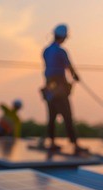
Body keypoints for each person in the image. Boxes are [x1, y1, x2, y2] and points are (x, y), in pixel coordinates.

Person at [41, 23, 87, 155]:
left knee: (52, 115)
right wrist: (75, 76)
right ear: (62, 37)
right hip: (59, 85)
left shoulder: (46, 50)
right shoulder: (61, 51)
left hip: (49, 86)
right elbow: (69, 67)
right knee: (67, 115)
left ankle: (51, 142)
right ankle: (75, 144)